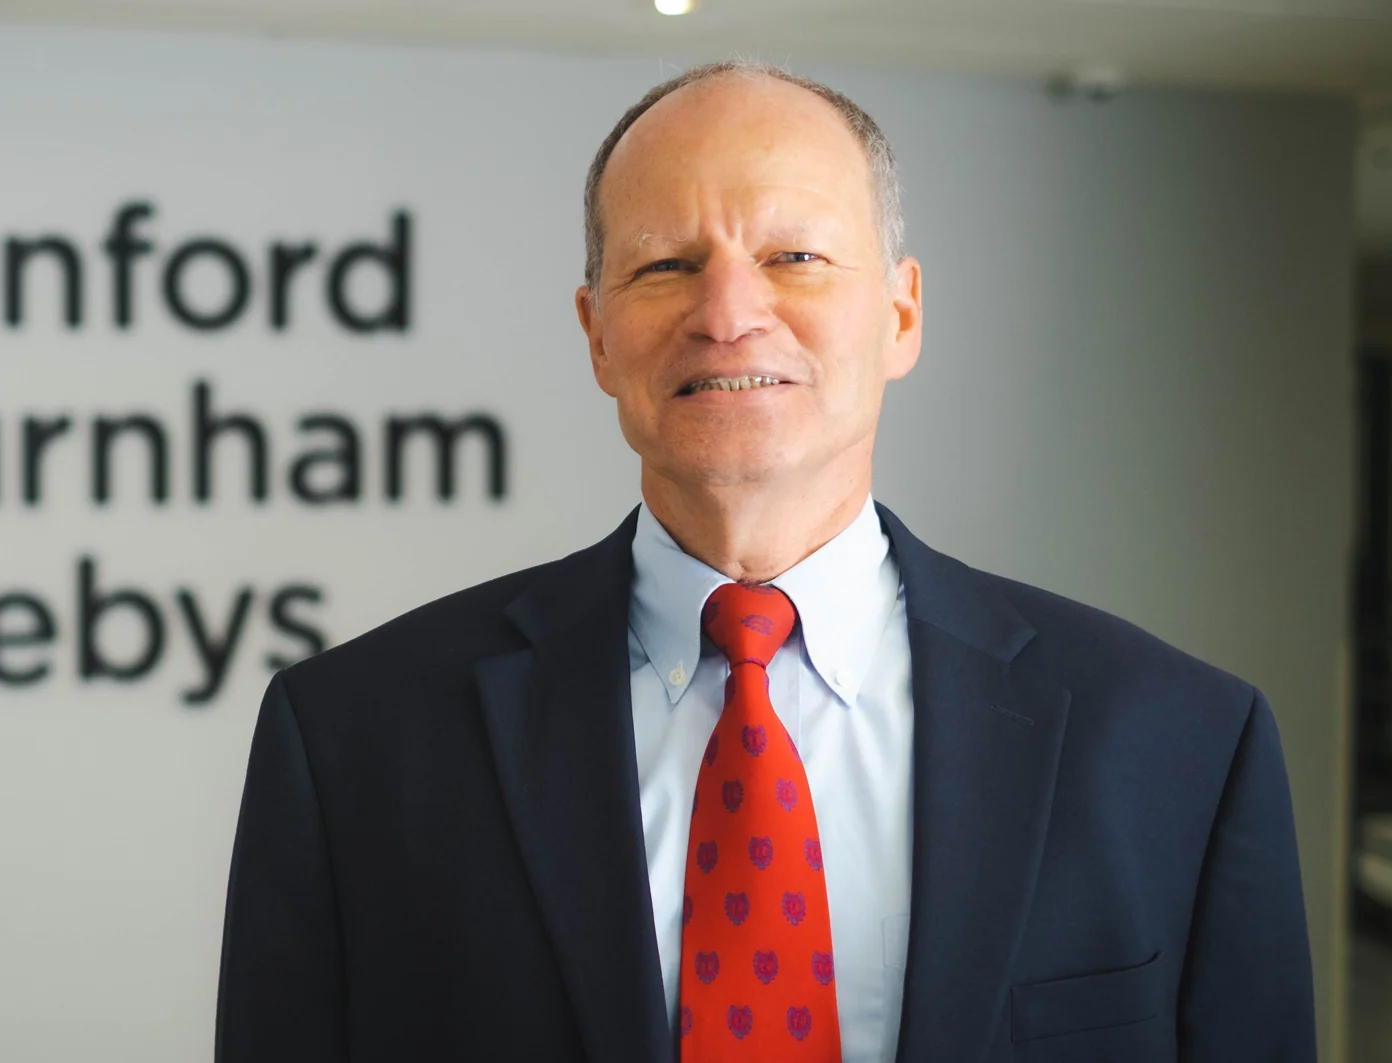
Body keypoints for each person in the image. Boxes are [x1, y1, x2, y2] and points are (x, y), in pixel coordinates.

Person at [215, 61, 1316, 1063]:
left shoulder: (1180, 741)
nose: (728, 313)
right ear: (596, 335)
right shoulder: (354, 736)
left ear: (899, 312)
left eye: (792, 256)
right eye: (664, 264)